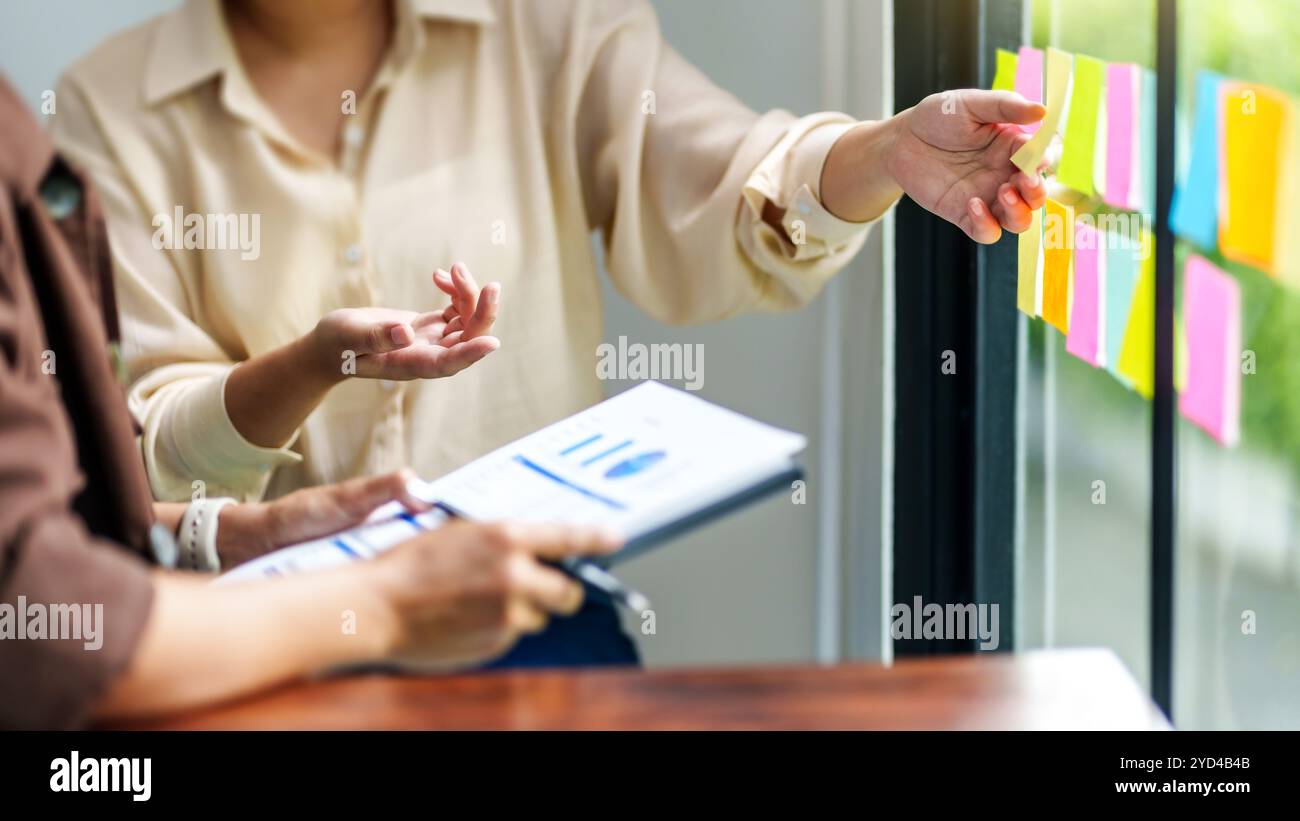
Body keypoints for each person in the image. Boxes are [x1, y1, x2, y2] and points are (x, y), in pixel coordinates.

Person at [51, 0, 1046, 665]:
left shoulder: (546, 22)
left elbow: (727, 183)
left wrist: (884, 150)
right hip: (267, 648)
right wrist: (315, 364)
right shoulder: (108, 104)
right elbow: (150, 453)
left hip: (535, 625)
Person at [0, 76, 620, 729]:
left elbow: (60, 520)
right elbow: (43, 620)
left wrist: (236, 533)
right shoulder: (107, 107)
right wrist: (388, 600)